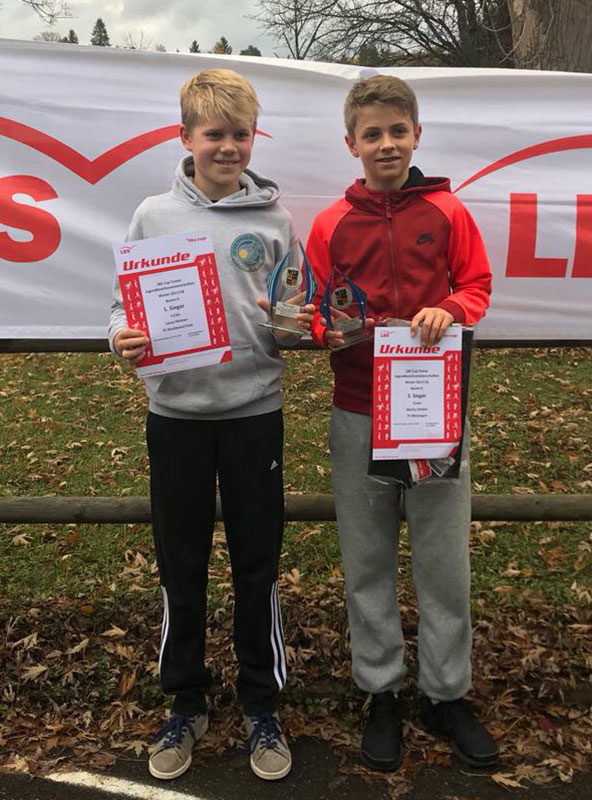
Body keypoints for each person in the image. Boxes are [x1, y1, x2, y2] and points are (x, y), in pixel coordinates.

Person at [108, 68, 313, 783]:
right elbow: (121, 306)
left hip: (255, 415)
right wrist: (121, 336)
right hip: (177, 420)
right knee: (182, 563)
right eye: (215, 134)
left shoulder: (276, 221)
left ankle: (261, 703)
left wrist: (294, 325)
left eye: (241, 135)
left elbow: (295, 311)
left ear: (253, 140)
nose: (228, 147)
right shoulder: (152, 216)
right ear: (186, 137)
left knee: (257, 563)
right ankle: (186, 701)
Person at [306, 75, 498, 771]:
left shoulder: (448, 211)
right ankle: (380, 690)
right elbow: (315, 306)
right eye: (372, 134)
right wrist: (324, 331)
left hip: (433, 410)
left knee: (443, 561)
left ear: (416, 134)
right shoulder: (331, 223)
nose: (385, 144)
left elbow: (476, 285)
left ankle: (446, 694)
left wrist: (452, 309)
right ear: (351, 143)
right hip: (358, 411)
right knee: (367, 562)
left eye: (396, 131)